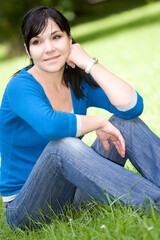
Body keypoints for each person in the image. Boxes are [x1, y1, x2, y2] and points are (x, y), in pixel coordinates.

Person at [0, 6, 160, 230]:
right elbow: (52, 127)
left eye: (56, 37)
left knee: (125, 123)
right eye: (37, 42)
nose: (48, 49)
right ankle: (155, 203)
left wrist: (89, 64)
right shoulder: (20, 86)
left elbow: (132, 107)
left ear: (70, 40)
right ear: (28, 51)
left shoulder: (76, 81)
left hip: (74, 193)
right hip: (26, 207)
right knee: (63, 146)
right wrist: (100, 122)